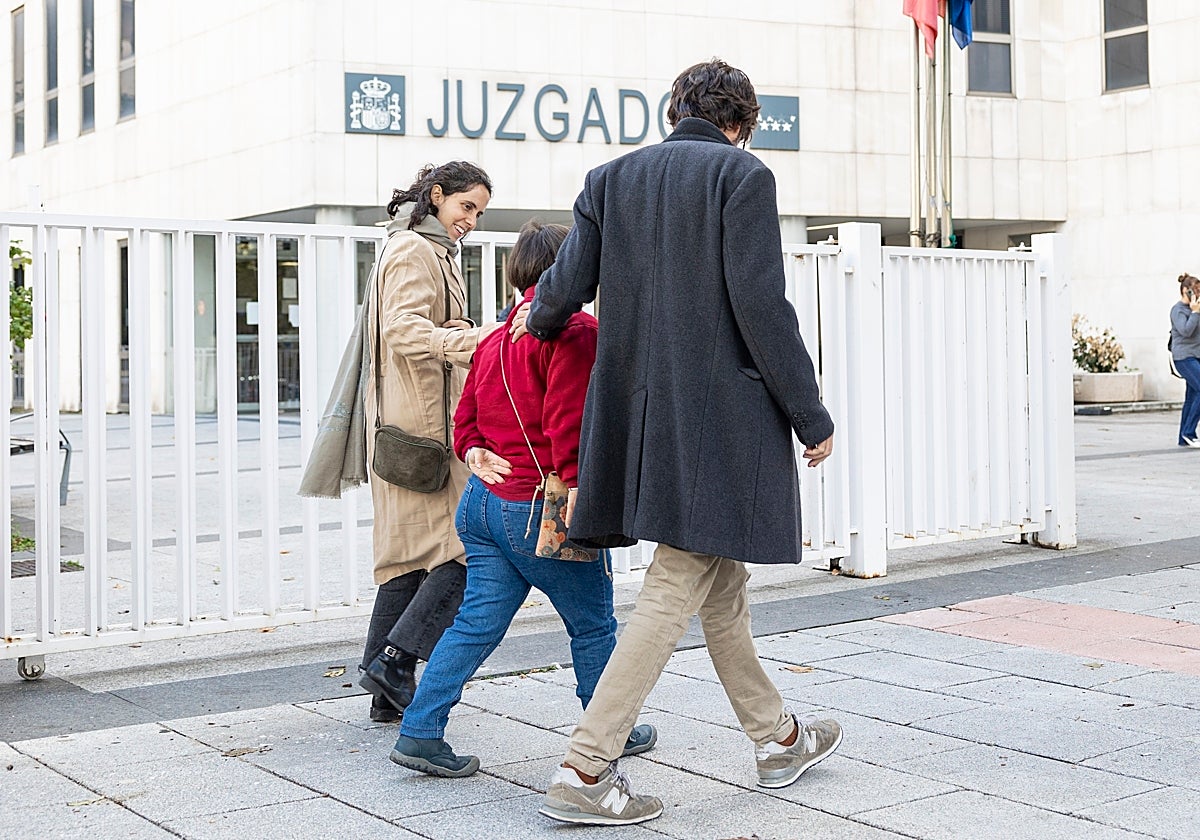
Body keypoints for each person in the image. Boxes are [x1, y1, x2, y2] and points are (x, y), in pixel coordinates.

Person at [514, 59, 841, 826]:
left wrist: (541, 328)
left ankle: (778, 739)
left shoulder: (608, 179)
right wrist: (810, 414)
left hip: (634, 416)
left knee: (719, 588)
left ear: (676, 108)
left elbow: (558, 295)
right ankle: (587, 766)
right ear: (742, 120)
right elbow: (761, 305)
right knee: (676, 580)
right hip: (719, 420)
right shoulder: (742, 176)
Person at [388, 220, 657, 777]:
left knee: (474, 624)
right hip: (542, 508)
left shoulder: (495, 335)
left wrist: (472, 451)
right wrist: (579, 492)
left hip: (484, 507)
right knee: (592, 625)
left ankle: (419, 731)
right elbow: (567, 420)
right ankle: (611, 729)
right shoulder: (575, 331)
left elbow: (465, 418)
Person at [356, 162, 499, 723]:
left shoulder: (415, 244)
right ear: (437, 196)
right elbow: (403, 329)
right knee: (466, 551)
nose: (472, 220)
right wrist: (473, 340)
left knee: (407, 559)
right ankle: (394, 661)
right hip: (425, 430)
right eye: (466, 207)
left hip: (406, 425)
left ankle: (383, 685)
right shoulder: (416, 249)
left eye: (480, 213)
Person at [1171, 272, 1200, 447]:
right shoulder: (1178, 310)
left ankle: (1184, 438)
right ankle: (1189, 432)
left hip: (1196, 357)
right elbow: (1186, 331)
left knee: (1192, 396)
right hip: (1183, 357)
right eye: (1194, 292)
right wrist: (1195, 313)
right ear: (1185, 291)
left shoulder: (1195, 309)